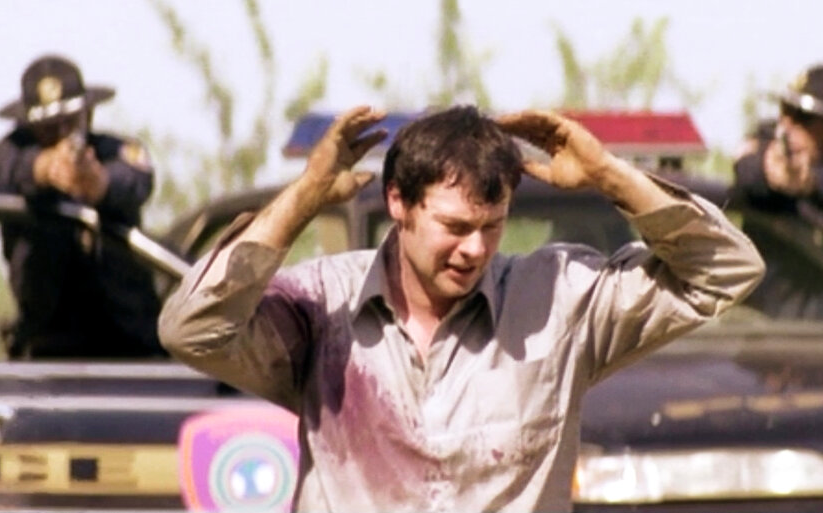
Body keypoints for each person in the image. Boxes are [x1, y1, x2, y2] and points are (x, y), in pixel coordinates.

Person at [159, 105, 764, 511]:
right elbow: (191, 328)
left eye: (492, 226)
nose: (474, 248)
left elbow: (726, 271)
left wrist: (610, 174)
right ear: (398, 202)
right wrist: (303, 198)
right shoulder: (322, 306)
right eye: (454, 226)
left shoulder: (559, 300)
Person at [0, 54, 166, 359]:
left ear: (88, 115)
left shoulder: (111, 152)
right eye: (48, 128)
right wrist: (44, 169)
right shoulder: (10, 156)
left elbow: (135, 178)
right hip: (47, 352)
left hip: (132, 350)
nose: (61, 135)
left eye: (70, 123)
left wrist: (99, 183)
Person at [733, 63, 823, 319]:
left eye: (803, 117)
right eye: (785, 110)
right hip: (761, 331)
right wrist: (770, 171)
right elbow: (748, 170)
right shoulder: (768, 146)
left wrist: (812, 183)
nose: (788, 124)